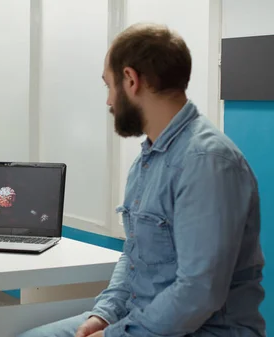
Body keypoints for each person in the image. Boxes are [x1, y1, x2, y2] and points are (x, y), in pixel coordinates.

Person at [19, 23, 265, 337]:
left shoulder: (208, 163)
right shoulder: (149, 159)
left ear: (131, 80)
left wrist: (116, 335)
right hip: (144, 319)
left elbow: (198, 292)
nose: (109, 101)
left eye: (108, 86)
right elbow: (134, 256)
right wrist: (105, 316)